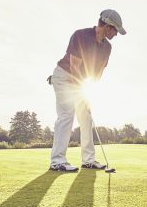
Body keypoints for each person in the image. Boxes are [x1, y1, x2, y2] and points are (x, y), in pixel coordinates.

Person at [47, 9, 126, 171]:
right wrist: (80, 91)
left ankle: (88, 160)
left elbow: (97, 74)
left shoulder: (107, 47)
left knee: (86, 118)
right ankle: (57, 161)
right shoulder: (81, 35)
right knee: (67, 115)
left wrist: (89, 94)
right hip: (64, 76)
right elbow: (75, 66)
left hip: (81, 82)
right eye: (115, 30)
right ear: (108, 26)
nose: (116, 34)